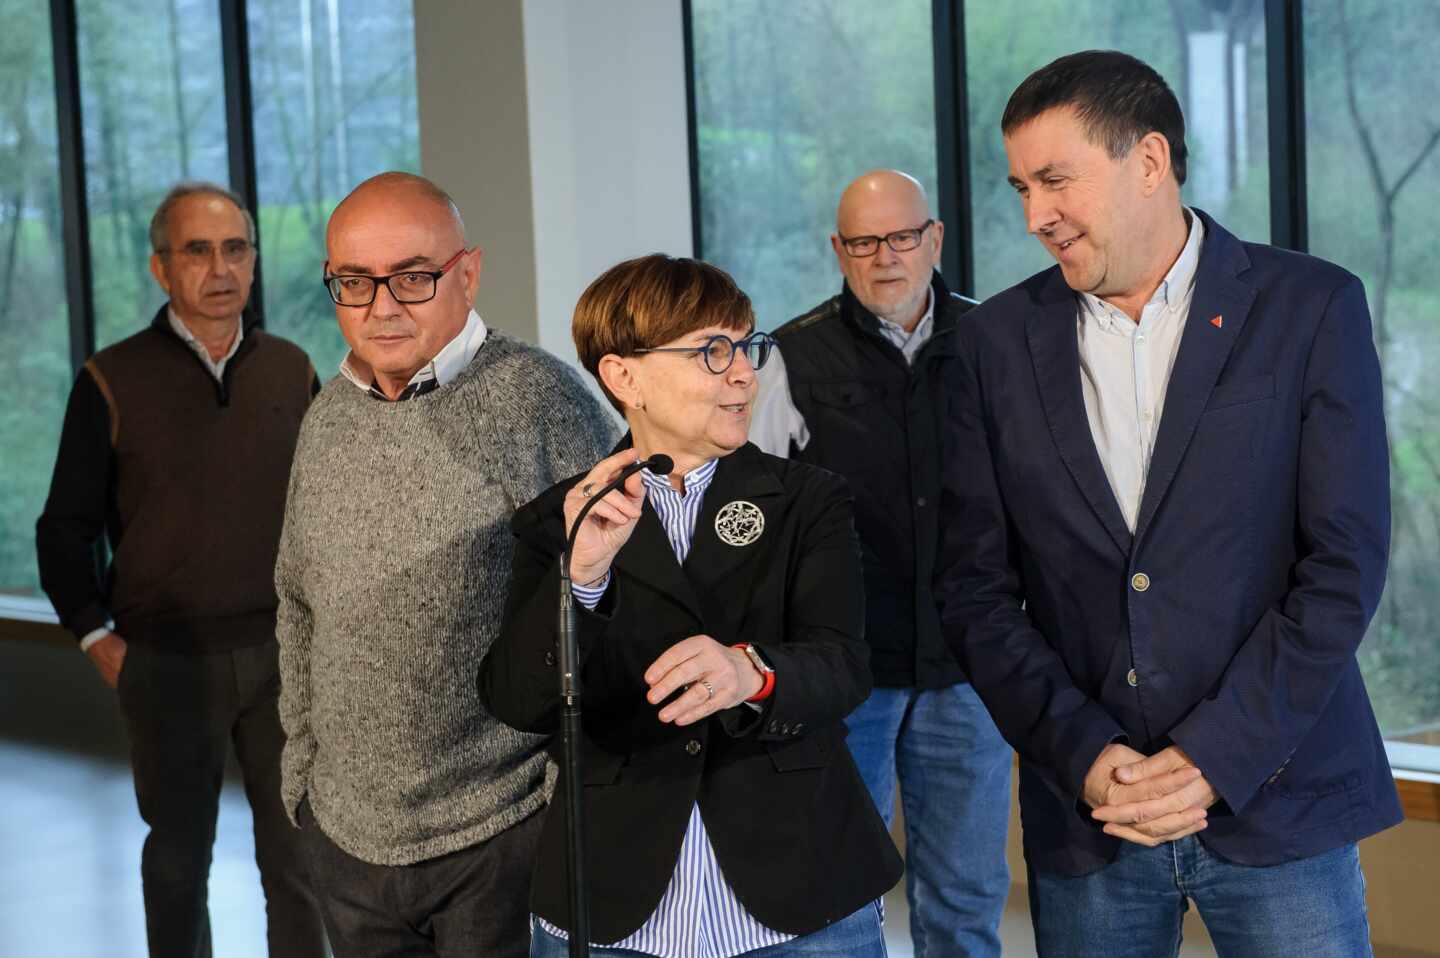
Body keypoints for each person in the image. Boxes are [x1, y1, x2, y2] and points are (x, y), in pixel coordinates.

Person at [936, 50, 1401, 956]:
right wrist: (1088, 757)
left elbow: (1343, 565)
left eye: (1056, 180)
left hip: (1280, 799)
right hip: (1090, 816)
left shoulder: (1310, 307)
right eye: (1021, 187)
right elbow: (975, 591)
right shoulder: (991, 343)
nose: (1036, 216)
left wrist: (1209, 760)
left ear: (1149, 161)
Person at [479, 253, 903, 957]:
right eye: (713, 351)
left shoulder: (808, 501)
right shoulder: (557, 522)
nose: (744, 372)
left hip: (801, 889)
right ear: (624, 377)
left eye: (746, 345)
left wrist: (750, 673)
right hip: (615, 895)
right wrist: (581, 578)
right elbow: (518, 701)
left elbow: (845, 666)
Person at [274, 171, 616, 958]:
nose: (381, 306)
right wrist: (302, 777)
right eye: (354, 282)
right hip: (346, 838)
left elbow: (611, 604)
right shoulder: (328, 416)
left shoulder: (545, 401)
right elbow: (295, 599)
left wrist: (557, 799)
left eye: (413, 277)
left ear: (469, 272)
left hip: (499, 829)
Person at [35, 182, 326, 957]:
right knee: (176, 862)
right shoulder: (110, 379)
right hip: (166, 663)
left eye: (235, 249)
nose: (219, 268)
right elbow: (64, 529)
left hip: (283, 659)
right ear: (162, 270)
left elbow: (329, 514)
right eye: (196, 250)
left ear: (255, 263)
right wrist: (96, 635)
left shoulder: (294, 370)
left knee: (299, 858)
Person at [751, 169, 1011, 957]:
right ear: (839, 250)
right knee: (836, 894)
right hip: (846, 673)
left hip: (968, 669)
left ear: (934, 239)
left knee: (964, 896)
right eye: (864, 242)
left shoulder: (997, 342)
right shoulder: (785, 356)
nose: (885, 257)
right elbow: (757, 517)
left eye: (902, 237)